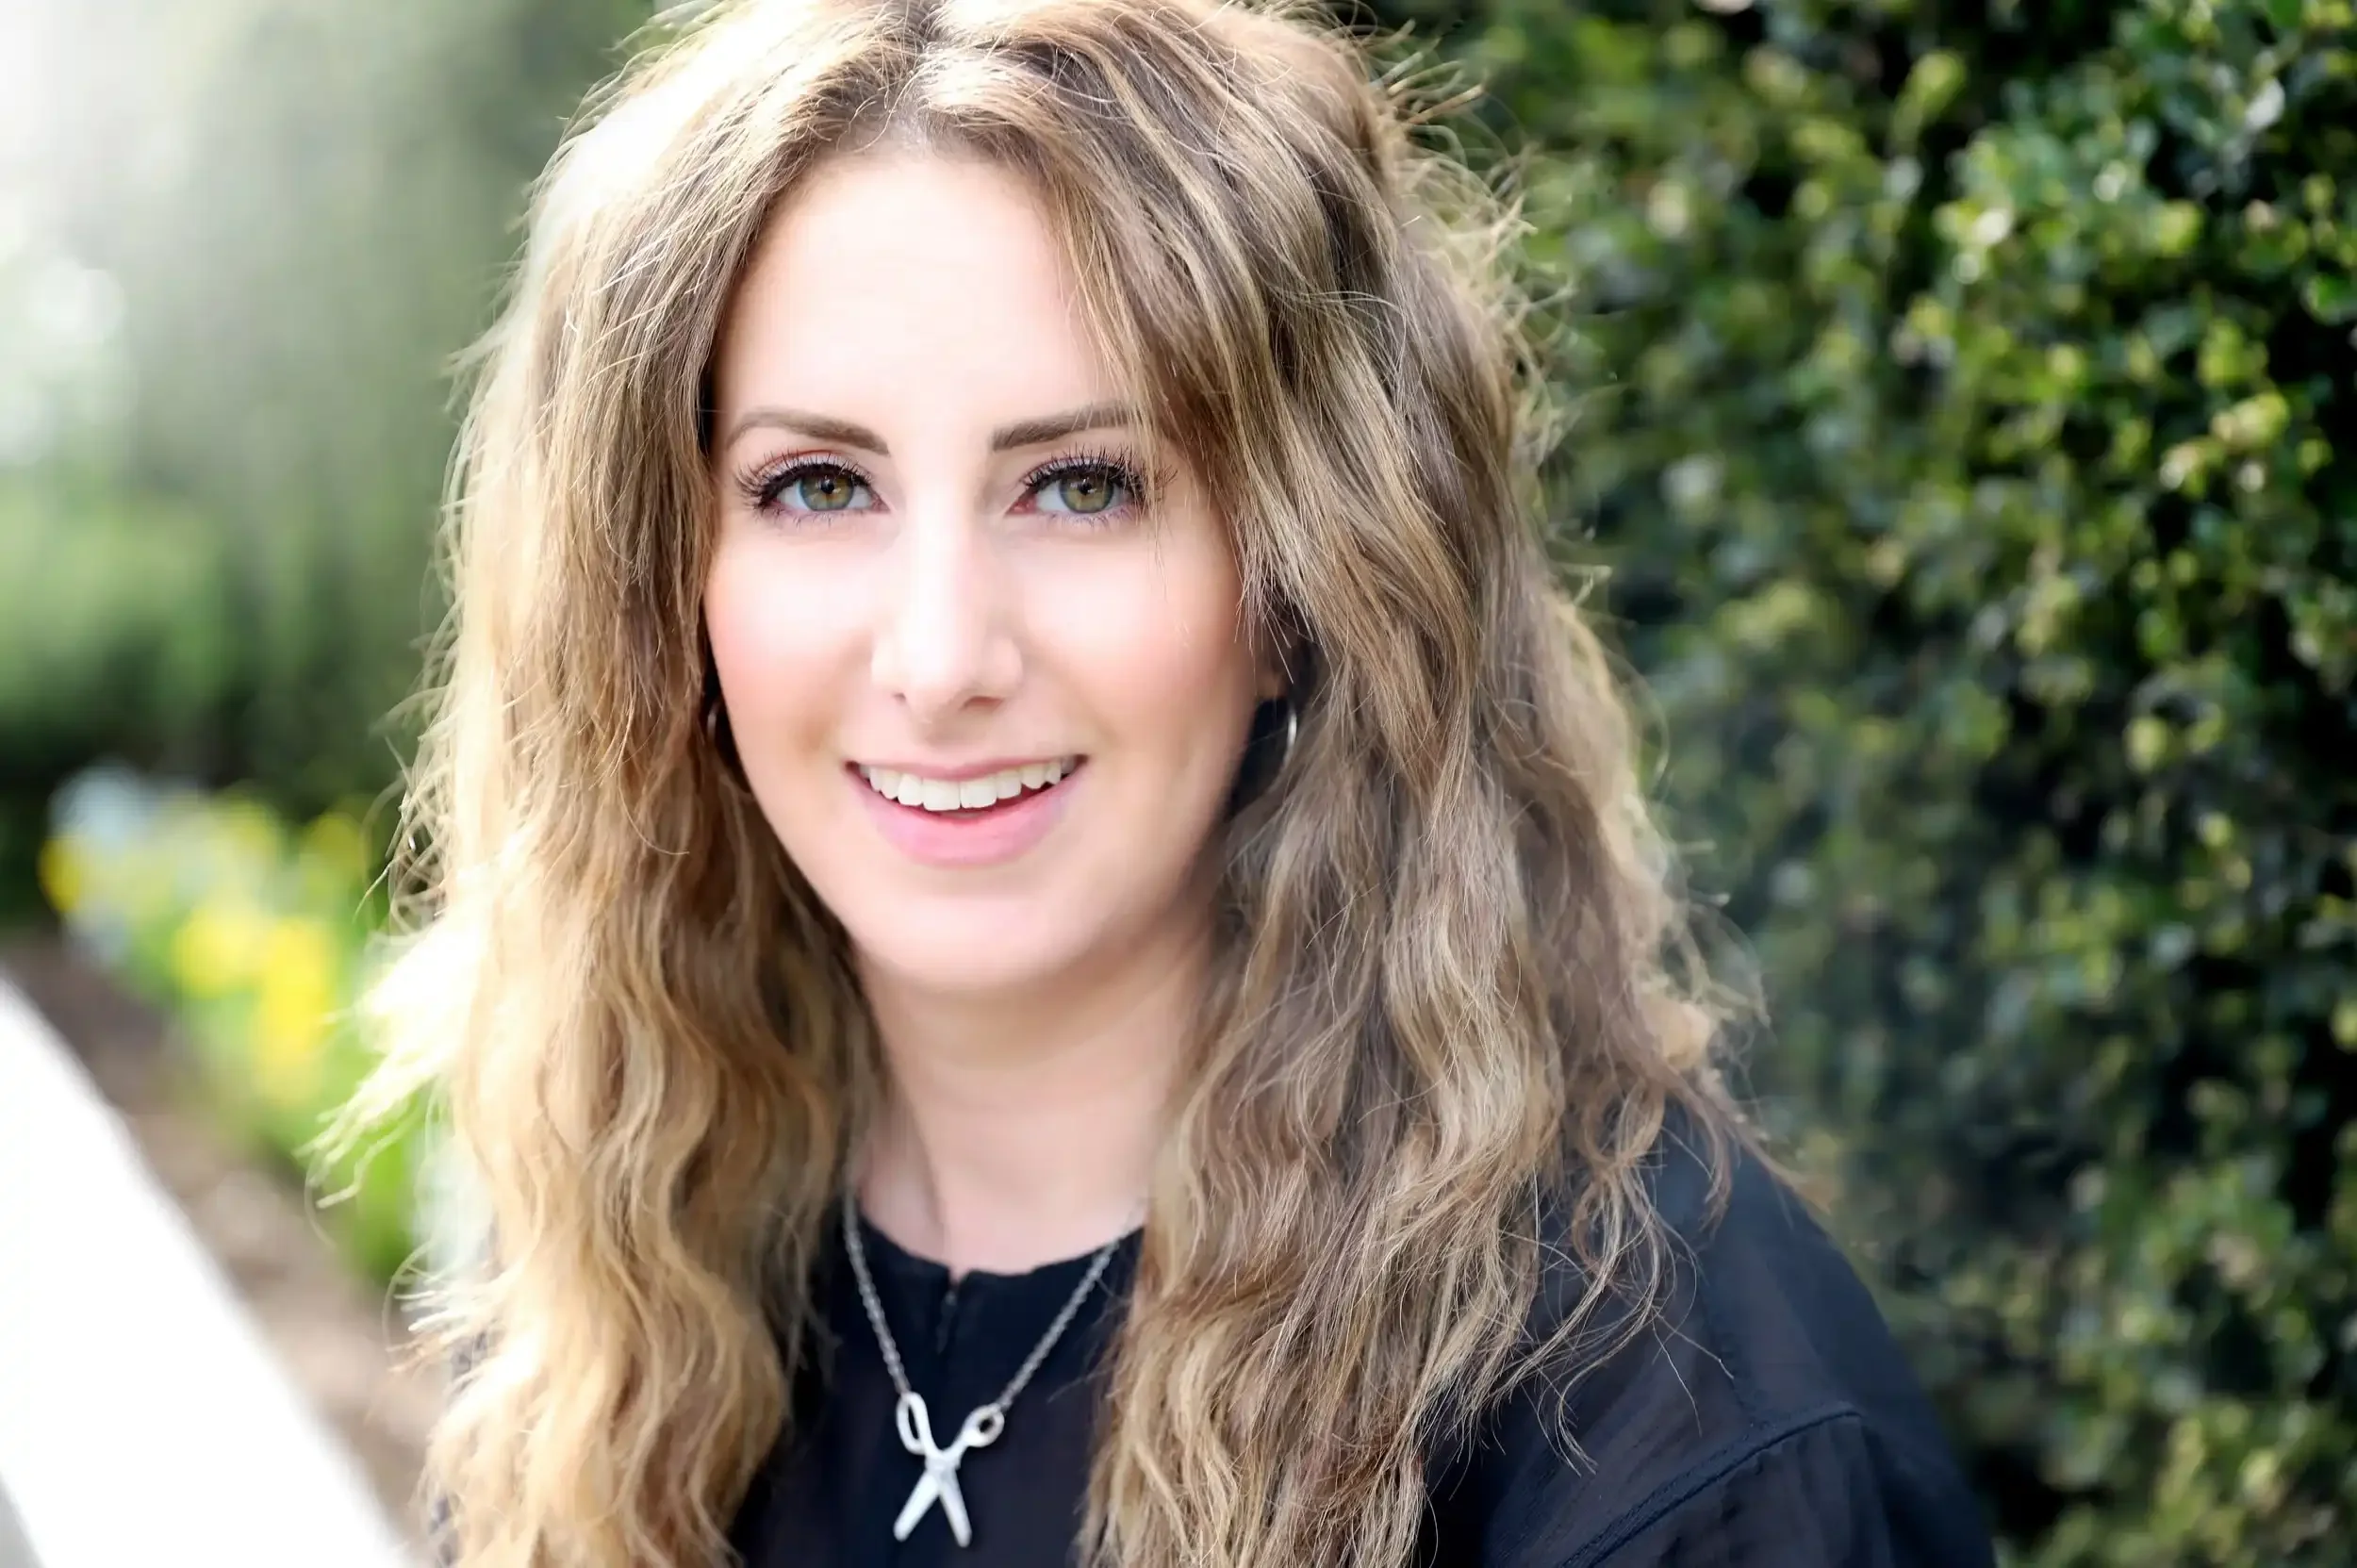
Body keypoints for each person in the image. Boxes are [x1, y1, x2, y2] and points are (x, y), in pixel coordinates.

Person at [333, 0, 1999, 1563]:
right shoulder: (629, 1303)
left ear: (1306, 583)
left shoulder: (1680, 1442)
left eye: (1080, 486)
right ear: (664, 592)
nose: (937, 656)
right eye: (819, 484)